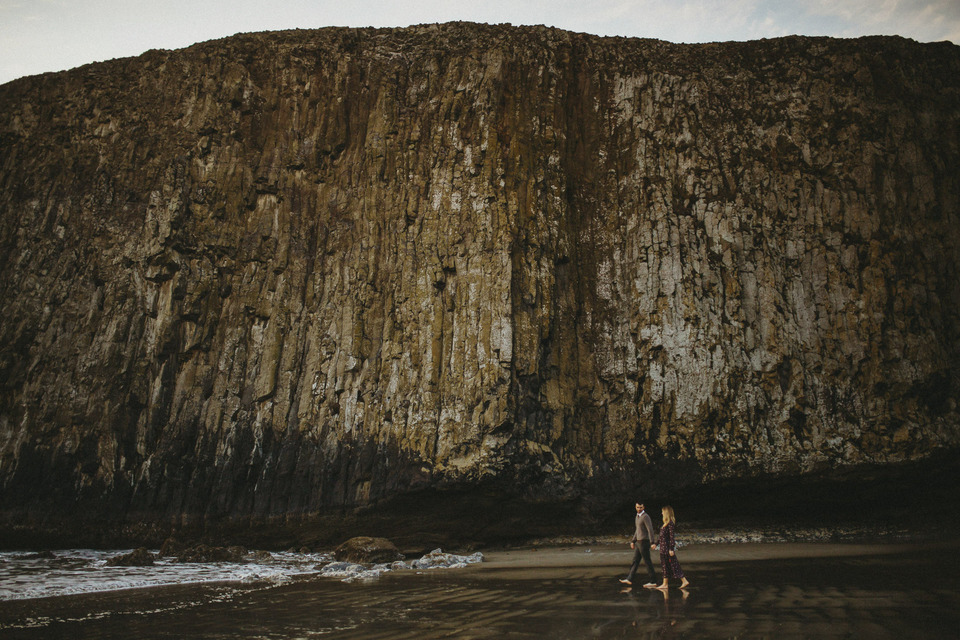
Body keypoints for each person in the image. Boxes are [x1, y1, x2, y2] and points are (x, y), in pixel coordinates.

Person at [649, 505, 690, 590]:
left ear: (666, 513)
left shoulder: (670, 524)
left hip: (667, 549)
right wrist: (656, 544)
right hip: (663, 549)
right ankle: (665, 584)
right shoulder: (665, 524)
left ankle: (684, 580)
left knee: (673, 565)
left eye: (663, 512)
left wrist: (671, 548)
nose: (661, 513)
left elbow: (672, 537)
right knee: (665, 566)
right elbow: (661, 537)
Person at [619, 501, 658, 587]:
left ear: (643, 507)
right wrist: (633, 541)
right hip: (638, 542)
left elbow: (650, 529)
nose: (639, 509)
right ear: (635, 507)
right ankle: (629, 579)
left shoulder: (645, 517)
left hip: (644, 542)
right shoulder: (637, 517)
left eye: (640, 507)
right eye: (637, 507)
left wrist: (652, 542)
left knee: (647, 561)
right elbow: (637, 530)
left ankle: (653, 581)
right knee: (635, 561)